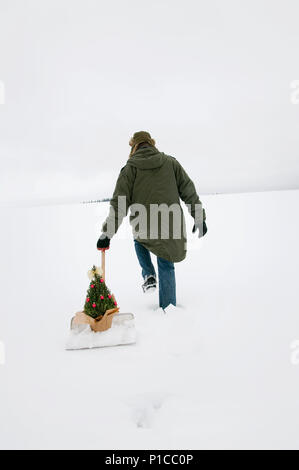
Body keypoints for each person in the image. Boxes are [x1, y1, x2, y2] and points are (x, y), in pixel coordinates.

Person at [97, 131, 207, 310]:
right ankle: (169, 309)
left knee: (139, 239)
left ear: (134, 146)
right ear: (151, 143)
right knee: (166, 261)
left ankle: (148, 274)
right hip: (171, 224)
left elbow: (120, 204)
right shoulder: (171, 163)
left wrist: (107, 233)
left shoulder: (130, 169)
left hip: (143, 225)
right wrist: (199, 217)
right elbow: (188, 190)